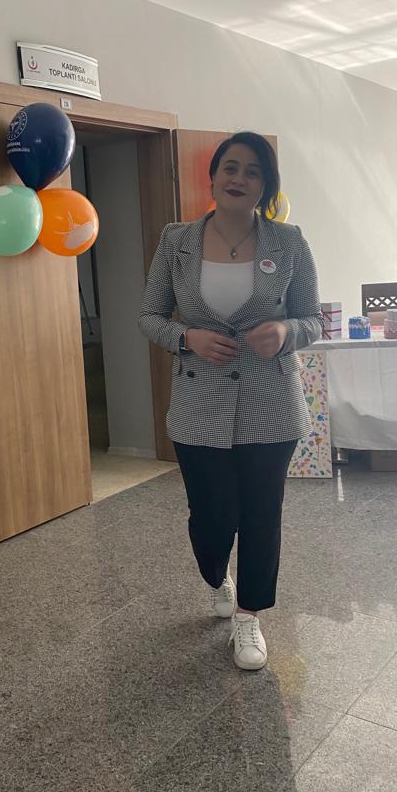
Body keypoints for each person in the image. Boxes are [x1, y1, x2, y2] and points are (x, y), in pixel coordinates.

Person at [138, 132, 322, 670]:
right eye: (231, 168)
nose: (240, 178)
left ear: (266, 185)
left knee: (263, 514)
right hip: (198, 404)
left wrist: (286, 331)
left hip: (272, 403)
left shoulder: (289, 243)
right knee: (211, 516)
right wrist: (186, 338)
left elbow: (313, 319)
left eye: (253, 171)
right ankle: (218, 576)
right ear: (213, 176)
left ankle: (249, 616)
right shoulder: (176, 241)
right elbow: (149, 315)